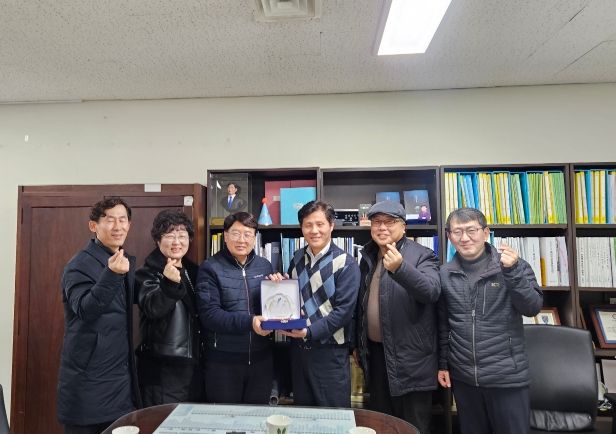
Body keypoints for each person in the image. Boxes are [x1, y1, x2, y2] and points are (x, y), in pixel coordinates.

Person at [437, 207, 543, 434]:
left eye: (471, 230)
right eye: (457, 232)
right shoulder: (444, 273)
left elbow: (532, 307)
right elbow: (444, 324)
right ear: (449, 236)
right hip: (464, 379)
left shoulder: (513, 266)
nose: (464, 238)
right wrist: (443, 364)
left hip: (507, 378)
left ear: (486, 233)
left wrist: (512, 272)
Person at [57, 197, 141, 434]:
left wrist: (169, 285)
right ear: (93, 226)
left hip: (120, 384)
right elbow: (86, 309)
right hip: (87, 384)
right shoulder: (78, 265)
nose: (118, 226)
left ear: (129, 225)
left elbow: (140, 300)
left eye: (122, 220)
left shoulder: (121, 260)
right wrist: (112, 274)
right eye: (110, 220)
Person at [356, 200, 440, 434]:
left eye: (389, 222)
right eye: (376, 222)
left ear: (404, 226)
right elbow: (360, 305)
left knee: (411, 427)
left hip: (411, 361)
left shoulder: (423, 255)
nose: (382, 227)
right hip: (376, 357)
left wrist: (401, 268)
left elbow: (431, 292)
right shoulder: (368, 256)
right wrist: (358, 344)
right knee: (381, 425)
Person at [272, 200, 361, 407]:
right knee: (304, 414)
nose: (314, 230)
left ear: (331, 226)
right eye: (308, 225)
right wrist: (279, 285)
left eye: (320, 224)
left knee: (333, 416)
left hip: (330, 354)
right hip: (299, 352)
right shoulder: (297, 258)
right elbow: (292, 298)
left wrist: (309, 332)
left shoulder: (346, 263)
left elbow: (343, 313)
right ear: (301, 228)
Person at [196, 211, 274, 404]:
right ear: (225, 236)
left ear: (254, 238)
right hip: (223, 363)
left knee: (257, 418)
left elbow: (270, 307)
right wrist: (250, 322)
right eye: (236, 233)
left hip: (261, 361)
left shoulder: (265, 266)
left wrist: (281, 289)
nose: (241, 240)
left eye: (247, 234)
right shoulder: (210, 268)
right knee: (225, 418)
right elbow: (210, 315)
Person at [136, 210, 203, 406]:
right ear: (158, 240)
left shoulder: (193, 271)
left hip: (193, 365)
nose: (177, 241)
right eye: (170, 235)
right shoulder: (147, 273)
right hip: (163, 367)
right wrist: (169, 283)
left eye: (182, 235)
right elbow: (153, 308)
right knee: (164, 419)